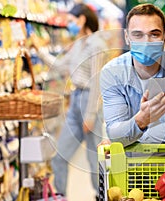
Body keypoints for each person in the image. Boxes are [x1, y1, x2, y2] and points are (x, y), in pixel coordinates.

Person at [31, 3, 108, 197]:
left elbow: (97, 82)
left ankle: (102, 195)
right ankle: (60, 196)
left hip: (89, 101)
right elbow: (59, 66)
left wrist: (90, 115)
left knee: (94, 160)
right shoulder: (79, 44)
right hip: (75, 100)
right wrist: (39, 51)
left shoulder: (97, 45)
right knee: (60, 156)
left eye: (72, 21)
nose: (69, 25)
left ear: (82, 20)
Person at [100, 3, 165, 147]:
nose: (146, 42)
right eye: (137, 35)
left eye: (154, 34)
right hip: (129, 162)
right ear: (127, 37)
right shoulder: (112, 72)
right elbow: (115, 131)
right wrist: (142, 120)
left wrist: (127, 137)